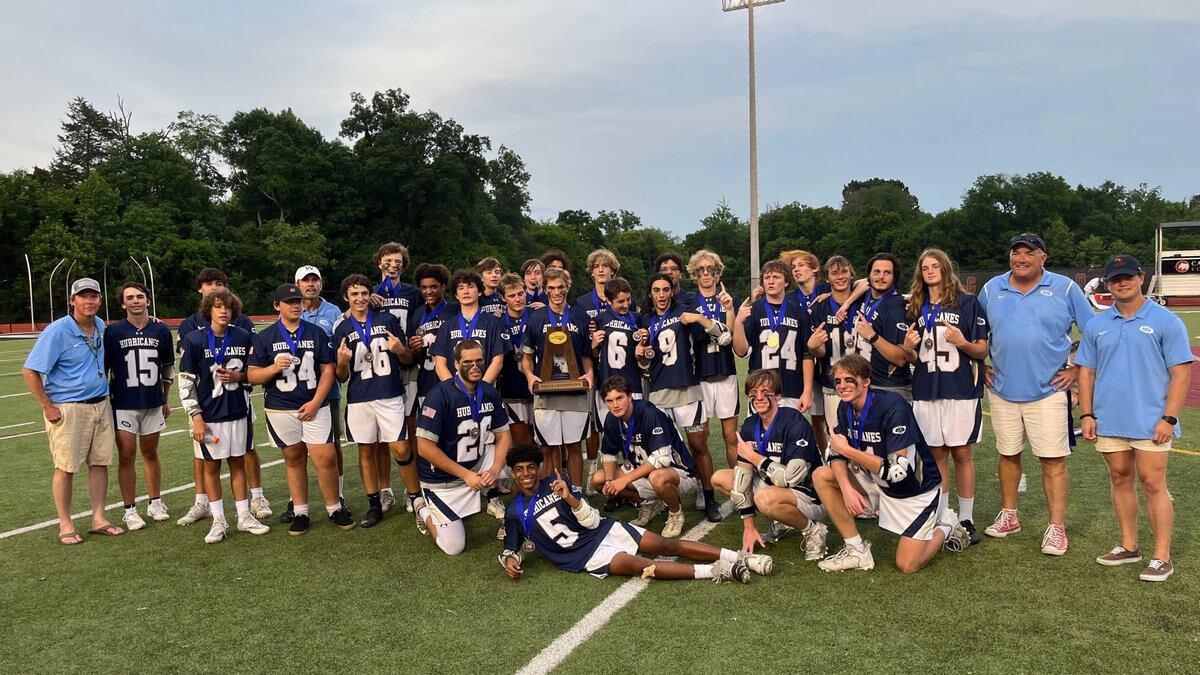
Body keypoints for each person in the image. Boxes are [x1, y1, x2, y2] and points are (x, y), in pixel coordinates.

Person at [978, 233, 1094, 555]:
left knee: (1052, 461)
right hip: (1002, 389)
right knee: (1007, 454)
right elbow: (976, 332)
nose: (1022, 258)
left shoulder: (1065, 288)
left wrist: (1076, 370)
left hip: (1048, 391)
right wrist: (979, 365)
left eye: (1030, 253)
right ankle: (1010, 516)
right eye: (1017, 252)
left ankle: (1056, 527)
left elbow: (1094, 332)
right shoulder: (992, 289)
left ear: (1044, 258)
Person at [1077, 255, 1192, 582]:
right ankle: (1129, 545)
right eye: (1115, 278)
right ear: (1108, 283)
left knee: (1154, 483)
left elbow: (1181, 373)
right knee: (1119, 479)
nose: (1122, 283)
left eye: (1128, 276)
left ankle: (1162, 556)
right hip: (1109, 420)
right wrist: (1086, 413)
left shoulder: (1166, 321)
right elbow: (1086, 371)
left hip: (1151, 420)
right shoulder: (1097, 324)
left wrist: (1169, 419)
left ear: (1140, 277)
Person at [500, 444, 770, 583]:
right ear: (513, 473)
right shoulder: (514, 511)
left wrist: (570, 497)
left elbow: (592, 520)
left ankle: (744, 557)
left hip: (602, 530)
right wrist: (511, 560)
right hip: (583, 556)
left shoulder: (556, 484)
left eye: (531, 467)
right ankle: (714, 571)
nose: (527, 474)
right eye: (520, 469)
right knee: (641, 566)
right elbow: (512, 547)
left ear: (538, 468)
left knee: (666, 544)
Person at [813, 355, 969, 573]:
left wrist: (848, 451)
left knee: (907, 565)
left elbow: (897, 470)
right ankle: (856, 550)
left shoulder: (892, 406)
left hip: (914, 491)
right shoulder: (845, 407)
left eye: (849, 379)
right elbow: (835, 455)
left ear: (866, 381)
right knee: (822, 475)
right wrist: (847, 489)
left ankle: (947, 524)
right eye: (838, 381)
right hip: (877, 481)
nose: (842, 386)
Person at [23, 278, 124, 544]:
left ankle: (99, 518)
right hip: (69, 408)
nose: (89, 301)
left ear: (100, 300)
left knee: (100, 464)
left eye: (94, 296)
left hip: (101, 404)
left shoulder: (101, 326)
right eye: (83, 296)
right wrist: (47, 406)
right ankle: (65, 524)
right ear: (72, 300)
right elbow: (30, 370)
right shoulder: (57, 331)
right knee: (66, 468)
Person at [905, 248, 989, 544]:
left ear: (944, 268)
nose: (929, 271)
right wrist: (907, 347)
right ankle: (941, 514)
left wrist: (962, 341)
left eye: (934, 265)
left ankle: (966, 518)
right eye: (924, 267)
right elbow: (912, 358)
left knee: (962, 454)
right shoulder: (914, 306)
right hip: (927, 390)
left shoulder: (967, 303)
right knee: (936, 453)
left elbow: (982, 350)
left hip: (960, 390)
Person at [248, 283, 342, 535]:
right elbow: (253, 375)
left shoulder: (316, 332)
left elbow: (328, 370)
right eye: (289, 302)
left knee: (326, 457)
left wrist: (316, 401)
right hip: (280, 407)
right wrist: (274, 368)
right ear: (277, 306)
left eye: (298, 301)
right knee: (293, 458)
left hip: (315, 404)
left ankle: (334, 508)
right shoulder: (265, 336)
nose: (296, 305)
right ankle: (301, 511)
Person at [176, 267, 268, 524]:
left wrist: (241, 377)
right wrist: (195, 416)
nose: (223, 310)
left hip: (237, 407)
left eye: (227, 306)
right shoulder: (194, 338)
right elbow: (186, 382)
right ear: (209, 309)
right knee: (211, 465)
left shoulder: (243, 334)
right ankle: (218, 519)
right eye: (217, 306)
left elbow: (256, 370)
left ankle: (244, 515)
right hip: (208, 411)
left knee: (238, 461)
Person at [334, 274, 423, 529]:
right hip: (360, 398)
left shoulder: (387, 320)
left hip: (390, 393)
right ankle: (374, 504)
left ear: (370, 294)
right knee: (366, 450)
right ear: (346, 298)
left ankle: (415, 497)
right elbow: (341, 376)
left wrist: (399, 350)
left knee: (401, 448)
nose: (360, 298)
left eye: (363, 293)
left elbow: (407, 359)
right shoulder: (342, 328)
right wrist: (341, 362)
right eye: (354, 294)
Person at [712, 369, 828, 560]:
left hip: (808, 493)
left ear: (778, 396)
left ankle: (812, 529)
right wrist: (749, 527)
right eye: (754, 393)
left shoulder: (794, 422)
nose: (759, 397)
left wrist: (753, 456)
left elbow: (790, 478)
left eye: (765, 392)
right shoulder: (750, 425)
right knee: (721, 479)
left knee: (764, 498)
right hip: (774, 484)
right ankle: (781, 519)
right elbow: (742, 479)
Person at [637, 273, 725, 522]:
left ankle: (708, 497)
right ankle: (667, 499)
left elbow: (714, 335)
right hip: (659, 392)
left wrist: (698, 318)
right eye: (656, 290)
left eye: (666, 290)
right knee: (662, 449)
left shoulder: (685, 313)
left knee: (698, 445)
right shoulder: (645, 320)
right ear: (650, 293)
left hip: (687, 388)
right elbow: (644, 362)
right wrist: (641, 353)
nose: (661, 295)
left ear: (672, 292)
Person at [416, 340, 513, 554]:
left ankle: (515, 518)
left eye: (479, 361)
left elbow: (504, 435)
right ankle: (422, 508)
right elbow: (424, 448)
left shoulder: (488, 391)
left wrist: (495, 469)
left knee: (521, 463)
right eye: (468, 362)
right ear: (456, 365)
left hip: (476, 462)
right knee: (453, 547)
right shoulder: (439, 396)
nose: (475, 366)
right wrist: (466, 475)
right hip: (444, 479)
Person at [104, 281, 175, 531]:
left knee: (151, 452)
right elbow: (105, 369)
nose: (135, 301)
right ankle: (129, 509)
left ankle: (155, 501)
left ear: (147, 301)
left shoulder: (161, 331)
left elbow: (167, 366)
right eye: (130, 297)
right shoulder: (112, 332)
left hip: (153, 402)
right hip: (124, 402)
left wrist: (165, 398)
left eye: (140, 296)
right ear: (123, 303)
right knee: (126, 455)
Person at [594, 377, 699, 538]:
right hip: (642, 470)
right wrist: (610, 480)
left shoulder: (650, 413)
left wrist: (624, 480)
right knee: (599, 480)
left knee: (657, 477)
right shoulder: (611, 419)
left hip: (677, 472)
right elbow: (608, 454)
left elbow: (661, 459)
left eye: (619, 398)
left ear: (630, 396)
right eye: (609, 401)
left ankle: (675, 513)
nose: (615, 405)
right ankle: (649, 502)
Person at [521, 267, 594, 483]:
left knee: (573, 446)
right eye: (551, 288)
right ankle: (549, 493)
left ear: (567, 287)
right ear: (545, 289)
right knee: (547, 448)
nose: (556, 292)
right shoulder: (535, 319)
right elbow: (526, 356)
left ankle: (578, 496)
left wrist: (589, 374)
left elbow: (586, 355)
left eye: (561, 287)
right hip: (546, 392)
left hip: (575, 392)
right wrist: (529, 376)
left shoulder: (580, 317)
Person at [371, 242, 424, 505]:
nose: (393, 264)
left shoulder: (412, 293)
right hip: (377, 367)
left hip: (406, 364)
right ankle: (385, 489)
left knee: (409, 426)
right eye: (388, 260)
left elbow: (419, 322)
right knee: (381, 434)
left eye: (398, 260)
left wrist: (417, 341)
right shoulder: (368, 293)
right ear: (379, 262)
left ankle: (411, 486)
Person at [294, 264, 346, 521]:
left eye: (315, 280)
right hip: (295, 389)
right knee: (297, 448)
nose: (310, 284)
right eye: (306, 281)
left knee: (332, 444)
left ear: (321, 285)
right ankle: (296, 499)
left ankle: (340, 494)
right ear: (298, 285)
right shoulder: (292, 309)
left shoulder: (333, 311)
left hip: (327, 390)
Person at [733, 260, 816, 413]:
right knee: (761, 435)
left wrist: (807, 391)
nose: (770, 281)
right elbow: (741, 351)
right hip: (761, 390)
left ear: (786, 282)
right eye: (767, 277)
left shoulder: (799, 311)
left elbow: (807, 355)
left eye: (776, 277)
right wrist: (738, 322)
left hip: (792, 387)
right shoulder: (754, 310)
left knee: (790, 434)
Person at [686, 250, 741, 469]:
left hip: (726, 371)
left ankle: (738, 486)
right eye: (701, 270)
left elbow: (732, 337)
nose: (706, 273)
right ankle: (703, 485)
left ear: (718, 273)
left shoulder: (730, 299)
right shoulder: (688, 302)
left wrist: (729, 309)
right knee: (700, 438)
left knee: (731, 436)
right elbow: (698, 336)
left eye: (711, 269)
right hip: (700, 374)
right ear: (695, 274)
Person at [577, 249, 622, 494]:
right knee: (594, 423)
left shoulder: (623, 297)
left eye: (606, 265)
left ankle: (621, 469)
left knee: (620, 420)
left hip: (620, 370)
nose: (602, 269)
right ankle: (594, 470)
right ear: (592, 271)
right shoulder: (583, 302)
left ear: (613, 270)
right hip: (593, 369)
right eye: (597, 266)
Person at [806, 256, 862, 449]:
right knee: (837, 439)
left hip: (863, 382)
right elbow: (820, 353)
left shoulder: (863, 299)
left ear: (852, 274)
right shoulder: (820, 307)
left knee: (865, 437)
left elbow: (867, 283)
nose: (840, 277)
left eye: (844, 271)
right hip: (833, 384)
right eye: (834, 273)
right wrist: (814, 346)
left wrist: (847, 303)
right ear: (827, 278)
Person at [848, 253, 912, 400]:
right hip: (866, 384)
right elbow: (857, 283)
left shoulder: (896, 307)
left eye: (887, 273)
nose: (881, 277)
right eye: (876, 272)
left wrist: (873, 336)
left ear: (894, 277)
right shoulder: (867, 296)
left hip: (889, 387)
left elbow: (902, 358)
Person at [432, 269, 506, 385]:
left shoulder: (493, 323)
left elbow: (498, 360)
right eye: (461, 288)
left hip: (484, 390)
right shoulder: (447, 326)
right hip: (455, 393)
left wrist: (482, 388)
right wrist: (454, 389)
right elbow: (440, 364)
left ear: (480, 292)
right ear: (456, 295)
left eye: (471, 287)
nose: (466, 291)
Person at [498, 273, 535, 447]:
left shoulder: (538, 315)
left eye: (520, 294)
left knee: (543, 441)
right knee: (521, 440)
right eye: (512, 296)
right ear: (503, 298)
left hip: (538, 385)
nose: (518, 299)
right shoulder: (497, 321)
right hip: (511, 386)